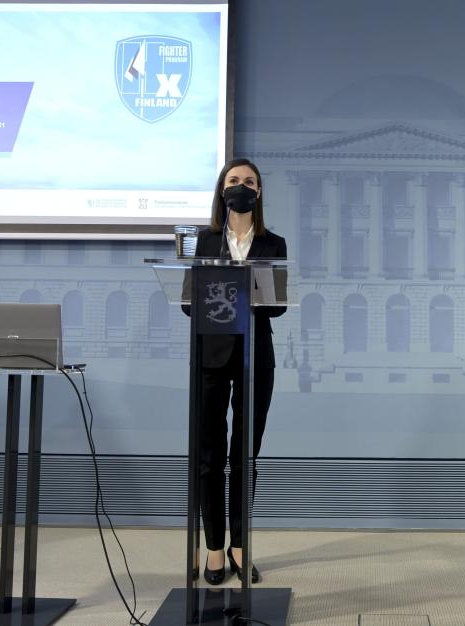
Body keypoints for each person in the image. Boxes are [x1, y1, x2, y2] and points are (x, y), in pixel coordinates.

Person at [184, 158, 287, 584]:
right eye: (233, 180)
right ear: (221, 190)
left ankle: (240, 547)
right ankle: (212, 549)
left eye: (249, 181)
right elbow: (191, 301)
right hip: (210, 357)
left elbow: (278, 305)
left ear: (258, 192)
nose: (241, 186)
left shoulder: (274, 243)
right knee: (209, 459)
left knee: (244, 456)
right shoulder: (204, 241)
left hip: (254, 358)